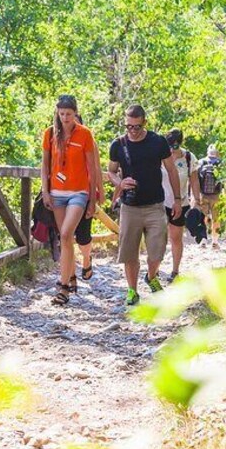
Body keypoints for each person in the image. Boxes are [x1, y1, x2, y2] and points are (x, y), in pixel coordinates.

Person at [108, 105, 182, 306]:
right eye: (128, 126)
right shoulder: (118, 145)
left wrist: (177, 199)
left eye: (136, 126)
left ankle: (151, 276)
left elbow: (172, 171)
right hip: (130, 206)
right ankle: (132, 291)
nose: (132, 130)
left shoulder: (157, 142)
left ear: (144, 123)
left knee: (157, 251)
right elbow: (111, 172)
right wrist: (120, 183)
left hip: (155, 205)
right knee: (129, 252)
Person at [41, 96, 98, 306]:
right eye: (62, 114)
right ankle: (71, 276)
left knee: (66, 234)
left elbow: (92, 168)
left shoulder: (85, 134)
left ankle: (63, 287)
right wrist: (45, 192)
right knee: (64, 238)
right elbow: (45, 165)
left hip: (78, 192)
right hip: (57, 192)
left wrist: (93, 198)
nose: (65, 118)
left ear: (75, 113)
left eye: (69, 114)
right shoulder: (49, 134)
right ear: (57, 112)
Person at [160, 129, 202, 282]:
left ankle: (175, 270)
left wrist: (196, 200)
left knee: (176, 237)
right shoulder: (160, 156)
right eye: (170, 146)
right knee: (158, 237)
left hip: (182, 202)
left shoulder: (189, 158)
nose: (172, 149)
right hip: (160, 202)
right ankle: (155, 268)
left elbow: (194, 180)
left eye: (176, 146)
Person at [73, 114, 105, 281]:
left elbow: (96, 168)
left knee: (83, 234)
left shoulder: (90, 142)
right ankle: (68, 275)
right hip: (63, 193)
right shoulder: (57, 139)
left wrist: (100, 191)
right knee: (64, 234)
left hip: (85, 192)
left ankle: (86, 259)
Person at [198, 144, 224, 249]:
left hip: (203, 194)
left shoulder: (201, 162)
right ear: (217, 153)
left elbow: (195, 178)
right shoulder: (221, 163)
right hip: (216, 195)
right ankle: (215, 241)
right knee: (216, 218)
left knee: (202, 217)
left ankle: (203, 240)